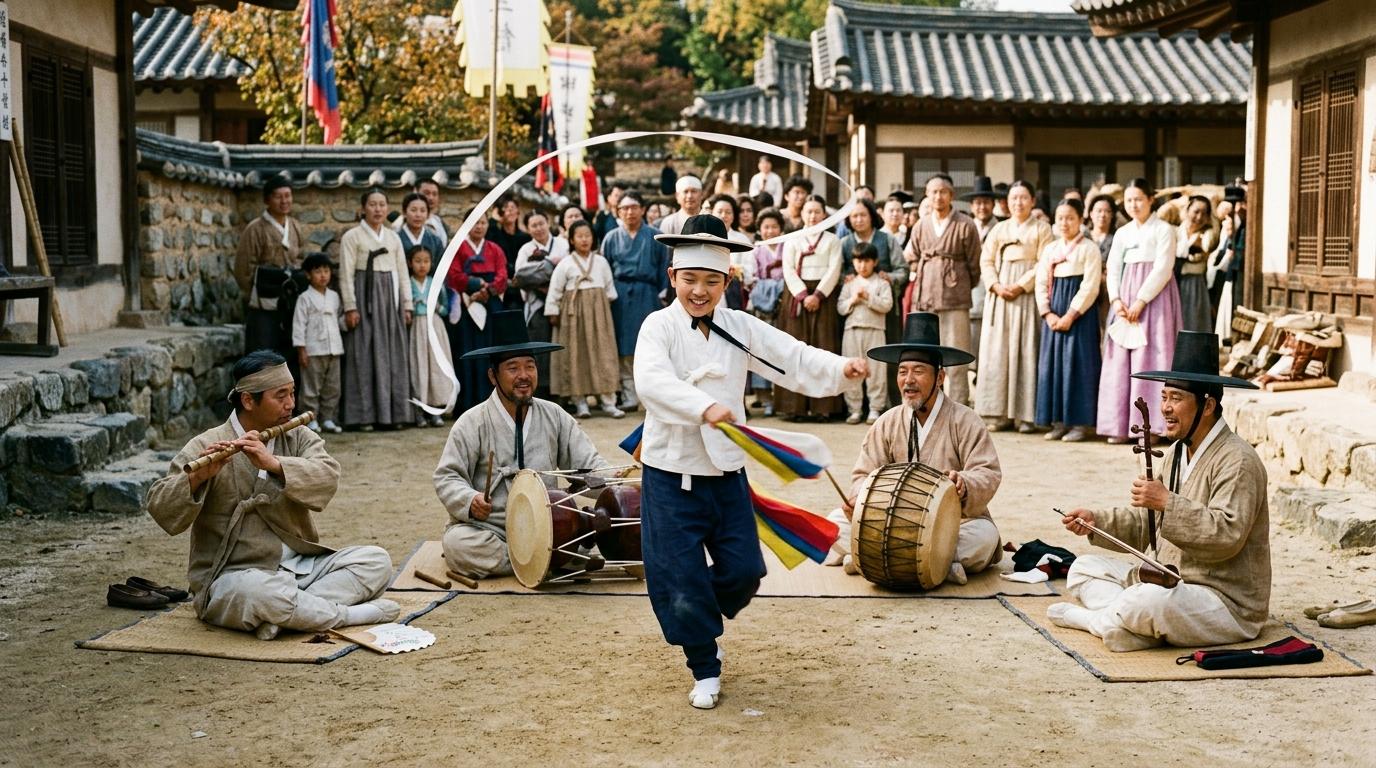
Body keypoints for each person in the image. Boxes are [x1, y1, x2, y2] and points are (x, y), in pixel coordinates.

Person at [634, 214, 867, 709]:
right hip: (669, 474)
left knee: (744, 572)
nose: (700, 291)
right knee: (680, 579)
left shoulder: (738, 326)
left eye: (711, 281)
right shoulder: (658, 327)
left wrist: (840, 369)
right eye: (690, 279)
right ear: (673, 277)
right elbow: (651, 382)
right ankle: (704, 664)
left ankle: (698, 615)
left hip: (725, 472)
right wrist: (704, 406)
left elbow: (792, 355)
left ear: (727, 281)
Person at [146, 351, 398, 640]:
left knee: (376, 561)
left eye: (292, 393)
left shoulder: (298, 436)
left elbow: (327, 477)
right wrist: (198, 477)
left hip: (300, 568)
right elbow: (161, 507)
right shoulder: (207, 443)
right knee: (262, 594)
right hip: (235, 577)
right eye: (280, 396)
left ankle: (290, 615)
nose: (290, 404)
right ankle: (347, 615)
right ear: (248, 400)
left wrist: (275, 464)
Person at [1052, 330, 1269, 652]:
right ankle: (1125, 627)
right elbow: (1148, 526)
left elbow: (1228, 536)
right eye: (1164, 397)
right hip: (1168, 580)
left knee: (1146, 601)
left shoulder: (1238, 461)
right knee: (1084, 568)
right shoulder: (1178, 453)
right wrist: (1096, 521)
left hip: (1222, 599)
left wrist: (1168, 502)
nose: (1165, 408)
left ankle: (1094, 621)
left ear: (1207, 406)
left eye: (1176, 399)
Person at [823, 312, 1001, 586]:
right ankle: (941, 565)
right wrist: (858, 501)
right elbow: (862, 476)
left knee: (984, 538)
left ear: (940, 377)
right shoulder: (888, 422)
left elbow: (988, 472)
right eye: (903, 372)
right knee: (833, 524)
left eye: (918, 371)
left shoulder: (965, 420)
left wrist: (963, 483)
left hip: (949, 527)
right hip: (890, 525)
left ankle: (867, 559)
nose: (908, 381)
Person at [434, 311, 610, 578]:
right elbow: (447, 476)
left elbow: (589, 466)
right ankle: (547, 562)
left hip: (547, 526)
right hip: (491, 528)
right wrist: (470, 500)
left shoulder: (555, 415)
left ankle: (543, 557)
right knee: (458, 545)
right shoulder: (472, 422)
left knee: (597, 525)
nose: (524, 375)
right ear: (493, 376)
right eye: (513, 368)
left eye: (530, 366)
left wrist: (616, 480)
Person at [1098, 178, 1181, 444]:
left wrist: (1142, 300)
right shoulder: (1123, 233)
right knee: (1120, 361)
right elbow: (1113, 268)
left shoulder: (1164, 230)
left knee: (1152, 358)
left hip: (1154, 300)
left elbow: (1163, 268)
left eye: (1139, 199)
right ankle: (1120, 426)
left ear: (1150, 200)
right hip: (1124, 299)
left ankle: (1152, 427)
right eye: (1129, 200)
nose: (1134, 205)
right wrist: (1116, 300)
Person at [898, 173, 982, 408]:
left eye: (943, 192)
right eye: (933, 192)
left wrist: (959, 281)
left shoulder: (965, 224)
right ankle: (926, 403)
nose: (938, 196)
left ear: (951, 195)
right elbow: (909, 257)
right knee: (925, 356)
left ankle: (958, 406)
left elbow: (975, 264)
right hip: (925, 297)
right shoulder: (920, 225)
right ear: (927, 195)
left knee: (956, 354)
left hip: (955, 298)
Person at [977, 180, 1054, 433]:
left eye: (1023, 198)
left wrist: (1021, 285)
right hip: (1000, 295)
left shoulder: (1043, 229)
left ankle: (1025, 415)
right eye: (1013, 198)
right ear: (1006, 202)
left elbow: (1044, 262)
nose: (1018, 202)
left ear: (1032, 201)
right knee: (998, 351)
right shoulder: (999, 230)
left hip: (1026, 295)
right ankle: (998, 413)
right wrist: (996, 285)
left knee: (1025, 350)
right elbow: (986, 260)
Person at [338, 188, 412, 430]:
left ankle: (395, 414)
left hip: (390, 300)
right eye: (373, 204)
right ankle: (364, 416)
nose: (378, 209)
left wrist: (407, 305)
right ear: (363, 208)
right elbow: (345, 274)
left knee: (392, 354)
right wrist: (350, 306)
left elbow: (403, 274)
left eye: (382, 204)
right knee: (363, 354)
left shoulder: (393, 238)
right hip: (364, 297)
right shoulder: (352, 236)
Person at [1034, 199, 1103, 443]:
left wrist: (1070, 315)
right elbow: (1041, 282)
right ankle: (1058, 421)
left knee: (1078, 366)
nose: (1065, 223)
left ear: (1081, 220)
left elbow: (1090, 286)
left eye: (1070, 218)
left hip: (1079, 316)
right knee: (1052, 366)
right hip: (1054, 313)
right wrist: (1048, 313)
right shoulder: (1050, 249)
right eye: (1060, 217)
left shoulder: (1089, 248)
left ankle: (1080, 423)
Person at [776, 195, 845, 420]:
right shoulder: (793, 238)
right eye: (809, 211)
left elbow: (835, 269)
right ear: (802, 213)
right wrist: (803, 294)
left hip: (823, 297)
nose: (813, 216)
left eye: (817, 211)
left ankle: (822, 407)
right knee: (794, 350)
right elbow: (787, 269)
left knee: (823, 348)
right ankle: (792, 407)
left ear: (824, 214)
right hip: (797, 296)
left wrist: (818, 295)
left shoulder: (833, 240)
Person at [546, 220, 623, 419]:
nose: (584, 240)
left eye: (587, 235)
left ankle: (608, 401)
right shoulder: (565, 264)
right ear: (571, 239)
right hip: (573, 316)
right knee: (575, 355)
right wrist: (553, 311)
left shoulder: (601, 262)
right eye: (579, 236)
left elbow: (610, 291)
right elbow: (555, 290)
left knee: (603, 354)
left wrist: (601, 310)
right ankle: (580, 402)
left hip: (598, 313)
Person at [602, 194, 669, 412]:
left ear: (642, 209)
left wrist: (661, 292)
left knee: (650, 345)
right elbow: (606, 269)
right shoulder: (611, 237)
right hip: (620, 294)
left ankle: (652, 397)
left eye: (634, 207)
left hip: (648, 293)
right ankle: (629, 396)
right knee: (623, 346)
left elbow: (663, 268)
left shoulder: (656, 236)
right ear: (618, 211)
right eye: (625, 208)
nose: (630, 212)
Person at [447, 209, 509, 413]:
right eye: (475, 223)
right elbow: (454, 275)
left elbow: (502, 274)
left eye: (482, 222)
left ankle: (495, 400)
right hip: (467, 304)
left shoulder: (494, 249)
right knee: (468, 350)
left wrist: (488, 289)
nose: (479, 226)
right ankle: (469, 401)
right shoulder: (458, 248)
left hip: (491, 304)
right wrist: (475, 284)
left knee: (493, 351)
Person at [235, 177, 305, 355]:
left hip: (290, 300)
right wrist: (259, 290)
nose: (284, 201)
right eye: (278, 197)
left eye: (288, 196)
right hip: (263, 302)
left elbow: (302, 257)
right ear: (267, 200)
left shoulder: (295, 226)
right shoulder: (255, 228)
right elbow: (243, 270)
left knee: (289, 353)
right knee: (263, 355)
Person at [512, 210, 568, 399]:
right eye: (533, 225)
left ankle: (563, 392)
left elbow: (568, 269)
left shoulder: (562, 244)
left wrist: (540, 271)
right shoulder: (525, 249)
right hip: (537, 305)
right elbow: (519, 278)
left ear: (548, 222)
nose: (538, 228)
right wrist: (549, 269)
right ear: (527, 229)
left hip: (563, 303)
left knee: (562, 347)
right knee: (540, 350)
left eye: (541, 223)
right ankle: (542, 392)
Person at [838, 242, 893, 424]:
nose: (862, 265)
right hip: (852, 330)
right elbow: (840, 307)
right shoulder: (850, 283)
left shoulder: (882, 283)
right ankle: (855, 409)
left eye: (867, 261)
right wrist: (854, 299)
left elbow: (886, 305)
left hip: (875, 330)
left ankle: (875, 408)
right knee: (853, 368)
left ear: (875, 261)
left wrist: (869, 298)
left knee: (876, 370)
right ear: (853, 262)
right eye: (858, 261)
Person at [291, 253, 345, 434]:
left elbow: (338, 321)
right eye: (318, 272)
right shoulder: (304, 298)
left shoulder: (334, 297)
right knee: (311, 387)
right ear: (308, 275)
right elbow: (299, 325)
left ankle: (328, 418)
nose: (323, 275)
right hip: (313, 350)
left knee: (332, 386)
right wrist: (301, 349)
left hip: (334, 349)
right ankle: (310, 418)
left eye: (326, 271)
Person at [407, 244, 453, 427]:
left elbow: (445, 308)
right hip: (417, 327)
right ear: (411, 263)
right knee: (419, 367)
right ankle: (419, 411)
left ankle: (436, 409)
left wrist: (432, 306)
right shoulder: (408, 283)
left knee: (436, 367)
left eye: (426, 261)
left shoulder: (436, 283)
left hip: (434, 326)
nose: (422, 265)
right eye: (417, 261)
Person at [747, 210, 788, 416]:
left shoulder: (788, 247)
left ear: (781, 228)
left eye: (774, 226)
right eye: (766, 227)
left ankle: (783, 398)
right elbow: (753, 279)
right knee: (762, 352)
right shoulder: (756, 251)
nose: (770, 231)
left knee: (782, 351)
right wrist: (771, 286)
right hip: (762, 309)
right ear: (759, 229)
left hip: (784, 306)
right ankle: (765, 399)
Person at [962, 176, 999, 376]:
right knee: (970, 344)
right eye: (977, 203)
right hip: (969, 291)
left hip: (994, 292)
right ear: (971, 205)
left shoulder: (1000, 227)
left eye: (986, 202)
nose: (982, 207)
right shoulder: (966, 226)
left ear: (993, 204)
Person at [707, 194, 756, 311]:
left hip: (733, 291)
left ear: (733, 216)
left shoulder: (742, 239)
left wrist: (736, 270)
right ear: (712, 213)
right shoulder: (704, 237)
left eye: (728, 212)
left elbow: (750, 269)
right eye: (719, 211)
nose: (724, 215)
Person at [1176, 195, 1217, 333]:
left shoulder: (1207, 234)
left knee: (1194, 323)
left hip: (1194, 283)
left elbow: (1208, 246)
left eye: (1204, 213)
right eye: (1196, 211)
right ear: (1187, 210)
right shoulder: (1175, 231)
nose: (1199, 217)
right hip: (1173, 281)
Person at [1210, 186, 1246, 341]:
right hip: (1227, 271)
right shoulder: (1228, 224)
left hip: (1239, 270)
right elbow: (1221, 249)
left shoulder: (1243, 224)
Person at [488, 196, 531, 308]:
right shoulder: (495, 234)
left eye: (513, 207)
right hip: (502, 285)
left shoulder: (525, 238)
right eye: (506, 207)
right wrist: (494, 220)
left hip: (521, 286)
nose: (510, 211)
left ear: (518, 212)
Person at [839, 197, 895, 277]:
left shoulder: (888, 239)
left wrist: (889, 277)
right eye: (855, 216)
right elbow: (837, 273)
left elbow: (902, 270)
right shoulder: (844, 243)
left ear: (871, 216)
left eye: (863, 215)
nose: (859, 220)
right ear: (849, 219)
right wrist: (845, 278)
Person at [1087, 193, 1118, 332]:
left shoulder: (1118, 237)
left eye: (1107, 211)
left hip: (1106, 290)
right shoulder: (1082, 236)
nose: (1103, 215)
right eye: (1099, 210)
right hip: (1083, 288)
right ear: (1091, 213)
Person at [397, 192, 446, 275]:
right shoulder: (396, 239)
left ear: (428, 214)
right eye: (413, 210)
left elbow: (440, 272)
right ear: (404, 212)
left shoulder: (435, 241)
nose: (418, 215)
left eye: (423, 211)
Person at [394, 179, 449, 249]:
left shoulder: (438, 221)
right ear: (415, 192)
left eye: (434, 194)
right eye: (427, 193)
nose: (431, 198)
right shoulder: (400, 224)